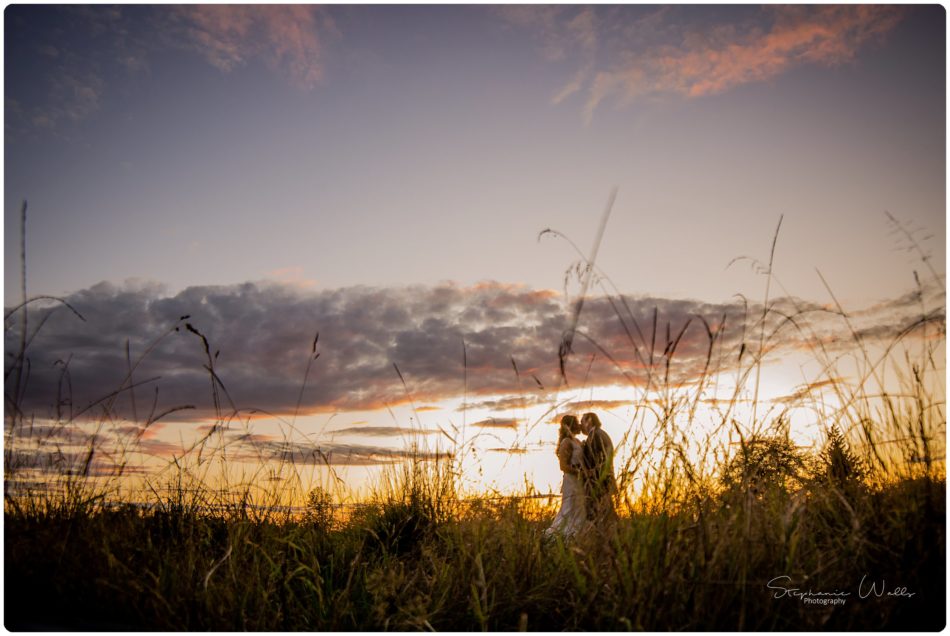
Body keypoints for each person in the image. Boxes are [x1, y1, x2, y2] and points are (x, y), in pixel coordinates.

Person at [543, 414, 587, 540]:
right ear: (570, 426)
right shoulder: (566, 442)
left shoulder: (577, 441)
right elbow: (563, 466)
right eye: (576, 422)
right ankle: (557, 536)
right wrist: (580, 473)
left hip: (579, 481)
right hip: (571, 481)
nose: (579, 424)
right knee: (569, 509)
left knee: (579, 509)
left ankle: (577, 535)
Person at [580, 412, 617, 525]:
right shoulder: (598, 434)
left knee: (600, 512)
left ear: (589, 420)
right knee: (605, 512)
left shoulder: (597, 435)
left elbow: (603, 459)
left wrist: (592, 473)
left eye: (582, 421)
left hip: (599, 481)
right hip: (601, 480)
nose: (581, 425)